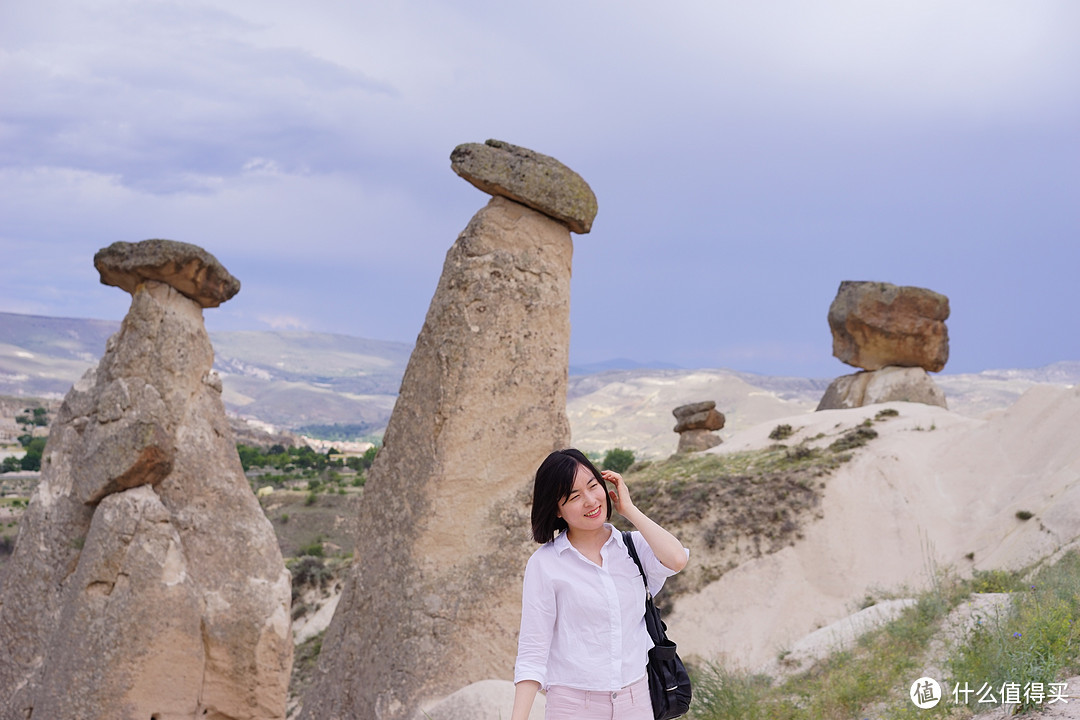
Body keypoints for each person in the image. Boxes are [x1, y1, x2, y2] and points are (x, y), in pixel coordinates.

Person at [511, 448, 689, 720]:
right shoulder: (545, 564)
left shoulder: (633, 548)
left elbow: (676, 559)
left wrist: (628, 509)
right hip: (572, 706)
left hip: (637, 701)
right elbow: (532, 654)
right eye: (574, 496)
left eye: (593, 486)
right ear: (557, 510)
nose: (590, 500)